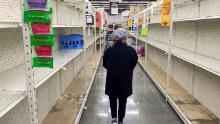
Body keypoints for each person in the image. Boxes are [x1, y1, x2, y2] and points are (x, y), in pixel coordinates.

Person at [103, 28, 138, 124]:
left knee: (112, 99)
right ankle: (121, 120)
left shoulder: (108, 51)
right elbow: (133, 64)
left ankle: (114, 118)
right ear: (125, 38)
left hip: (112, 80)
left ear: (113, 39)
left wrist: (113, 69)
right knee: (123, 100)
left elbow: (105, 65)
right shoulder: (131, 51)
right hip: (125, 80)